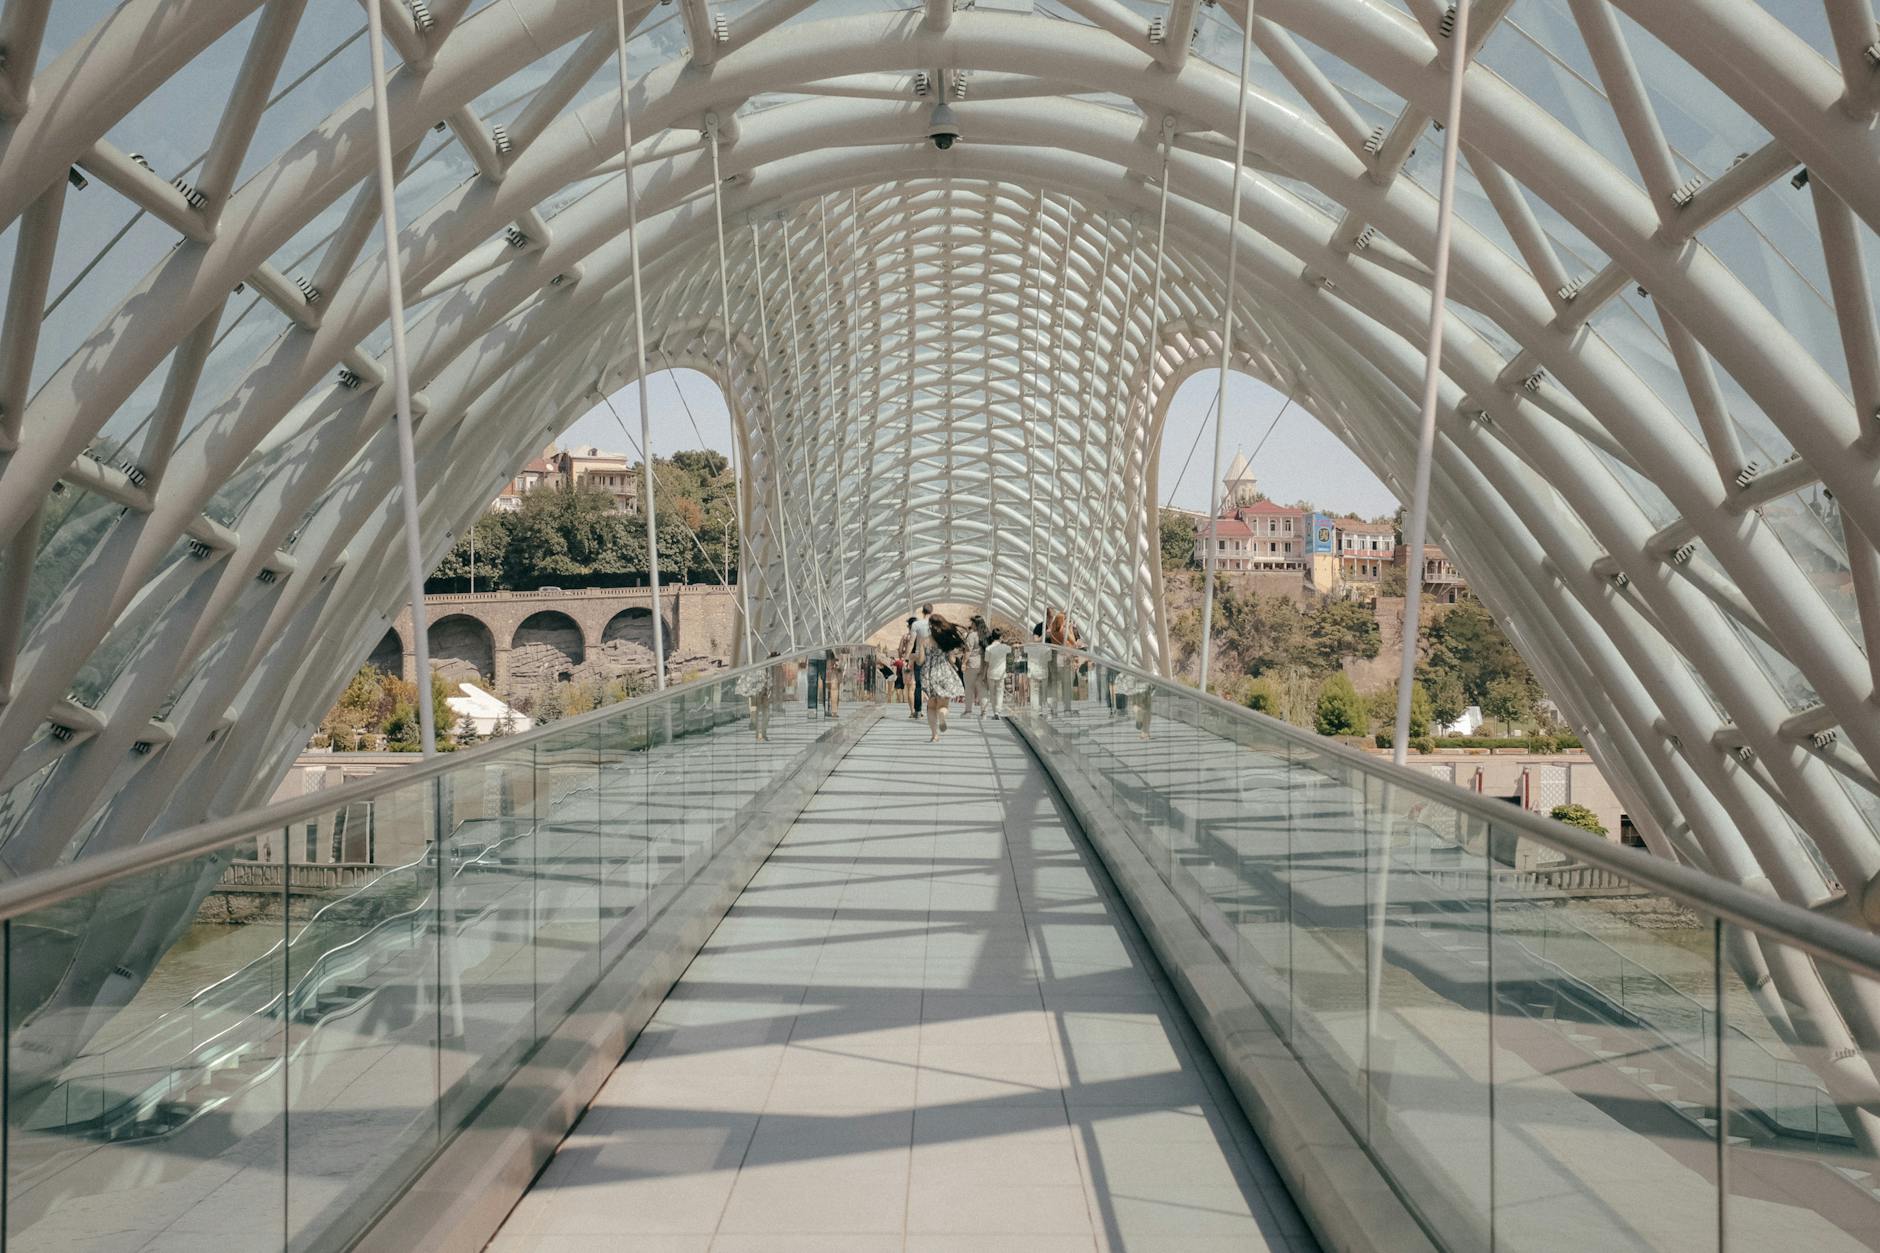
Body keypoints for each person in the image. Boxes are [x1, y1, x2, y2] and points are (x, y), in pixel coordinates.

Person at [918, 611, 966, 741]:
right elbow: (952, 660)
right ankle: (942, 715)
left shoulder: (924, 641)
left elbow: (921, 660)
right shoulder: (946, 640)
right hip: (944, 673)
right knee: (943, 705)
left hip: (929, 674)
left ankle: (934, 735)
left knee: (931, 706)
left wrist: (914, 660)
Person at [737, 652, 783, 741]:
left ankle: (763, 733)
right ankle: (759, 734)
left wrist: (768, 691)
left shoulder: (769, 667)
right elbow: (754, 680)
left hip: (764, 693)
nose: (778, 664)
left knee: (766, 715)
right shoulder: (762, 666)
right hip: (758, 693)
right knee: (759, 714)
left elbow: (769, 681)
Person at [960, 614, 987, 716]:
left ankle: (968, 710)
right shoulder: (986, 635)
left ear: (976, 624)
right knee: (982, 688)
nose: (971, 625)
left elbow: (968, 651)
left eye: (972, 623)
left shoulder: (972, 635)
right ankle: (984, 711)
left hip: (971, 664)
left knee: (969, 688)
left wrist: (964, 663)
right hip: (983, 664)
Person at [983, 629, 1013, 719]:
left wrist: (984, 675)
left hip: (991, 672)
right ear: (1000, 637)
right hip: (1001, 673)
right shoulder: (1006, 648)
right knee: (1000, 692)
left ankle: (994, 711)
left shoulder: (988, 648)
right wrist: (1009, 670)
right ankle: (997, 711)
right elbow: (1010, 659)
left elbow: (987, 663)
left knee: (992, 693)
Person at [911, 604, 933, 717]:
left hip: (919, 656)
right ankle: (931, 708)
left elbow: (912, 642)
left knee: (918, 685)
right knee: (930, 683)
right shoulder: (934, 624)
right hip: (932, 657)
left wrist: (907, 657)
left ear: (922, 611)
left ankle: (918, 710)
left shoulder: (916, 624)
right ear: (931, 611)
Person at [1025, 624, 1051, 712]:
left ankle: (1035, 710)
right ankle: (1043, 708)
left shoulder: (1029, 647)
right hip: (1043, 672)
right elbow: (1049, 660)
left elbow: (1027, 657)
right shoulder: (1047, 648)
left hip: (1033, 673)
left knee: (1034, 692)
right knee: (1044, 691)